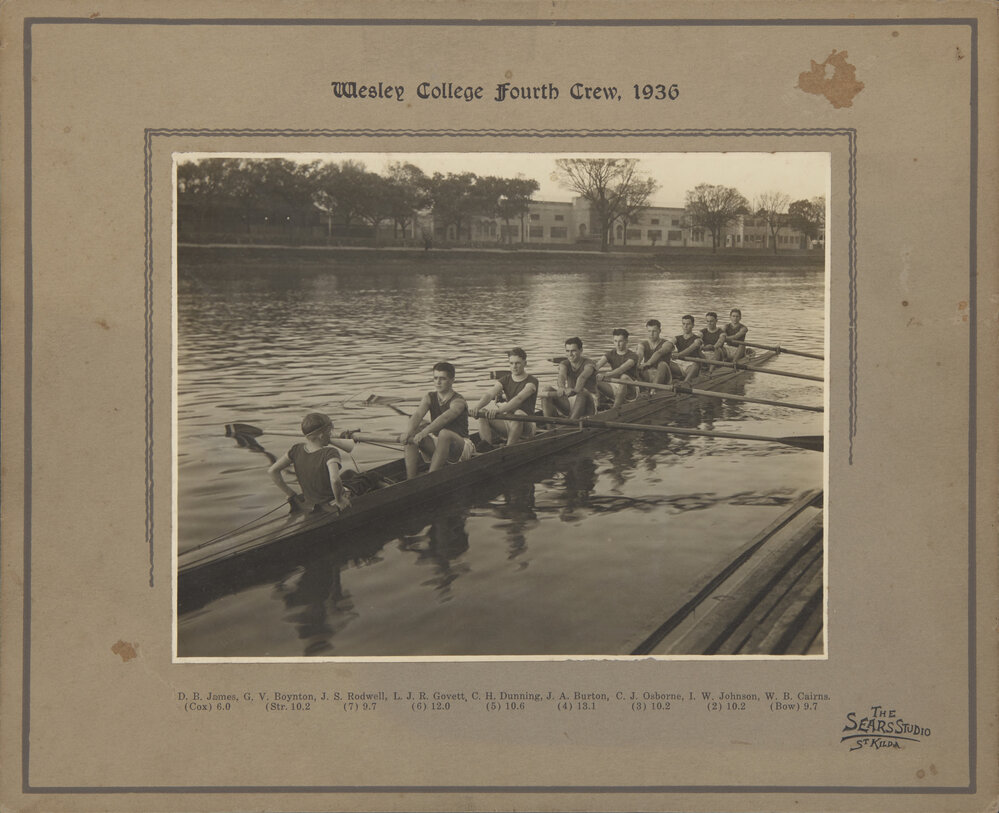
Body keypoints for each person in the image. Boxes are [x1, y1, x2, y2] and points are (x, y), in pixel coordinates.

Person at [268, 412, 356, 513]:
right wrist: (339, 500)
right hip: (331, 502)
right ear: (322, 436)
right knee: (371, 478)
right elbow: (335, 480)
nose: (331, 435)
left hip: (311, 502)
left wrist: (291, 494)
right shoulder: (330, 453)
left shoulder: (296, 449)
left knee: (350, 473)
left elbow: (272, 471)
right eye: (329, 432)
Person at [400, 361, 474, 479]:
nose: (438, 382)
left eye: (442, 378)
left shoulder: (458, 401)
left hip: (461, 446)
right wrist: (407, 433)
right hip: (439, 443)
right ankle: (410, 480)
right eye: (435, 378)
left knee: (444, 433)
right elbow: (418, 415)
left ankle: (430, 478)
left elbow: (444, 418)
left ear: (452, 380)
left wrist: (425, 432)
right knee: (413, 433)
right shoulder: (429, 397)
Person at [471, 347, 540, 448]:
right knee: (483, 413)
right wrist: (476, 407)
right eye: (511, 363)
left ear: (525, 363)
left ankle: (508, 449)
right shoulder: (504, 380)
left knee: (518, 413)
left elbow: (519, 399)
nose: (514, 367)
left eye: (517, 363)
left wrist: (500, 411)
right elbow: (489, 394)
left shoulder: (532, 381)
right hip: (508, 423)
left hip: (527, 426)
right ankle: (487, 448)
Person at [541, 337, 597, 420]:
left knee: (582, 392)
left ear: (581, 350)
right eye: (567, 351)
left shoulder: (589, 364)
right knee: (546, 389)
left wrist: (575, 391)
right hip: (570, 399)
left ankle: (570, 424)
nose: (570, 354)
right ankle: (550, 427)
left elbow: (582, 378)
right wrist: (561, 388)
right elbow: (561, 376)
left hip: (589, 402)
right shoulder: (564, 363)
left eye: (573, 351)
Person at [594, 328, 640, 407]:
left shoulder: (633, 356)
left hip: (631, 389)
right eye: (615, 341)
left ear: (626, 341)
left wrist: (606, 375)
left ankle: (614, 410)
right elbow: (597, 366)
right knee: (594, 379)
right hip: (615, 386)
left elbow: (620, 370)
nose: (617, 344)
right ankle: (597, 406)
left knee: (624, 377)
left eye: (620, 341)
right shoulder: (610, 354)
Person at [636, 318, 675, 385]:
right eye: (649, 331)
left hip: (664, 376)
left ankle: (653, 390)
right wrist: (637, 363)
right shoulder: (642, 344)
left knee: (662, 364)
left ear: (659, 331)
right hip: (649, 374)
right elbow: (639, 354)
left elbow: (659, 353)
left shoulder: (667, 344)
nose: (651, 334)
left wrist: (648, 363)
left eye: (654, 331)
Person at [669, 315, 704, 383]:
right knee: (664, 362)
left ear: (693, 325)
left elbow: (691, 348)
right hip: (679, 364)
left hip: (691, 365)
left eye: (688, 324)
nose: (685, 326)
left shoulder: (698, 339)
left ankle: (685, 382)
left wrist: (679, 354)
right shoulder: (676, 338)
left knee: (697, 363)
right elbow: (669, 345)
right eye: (683, 324)